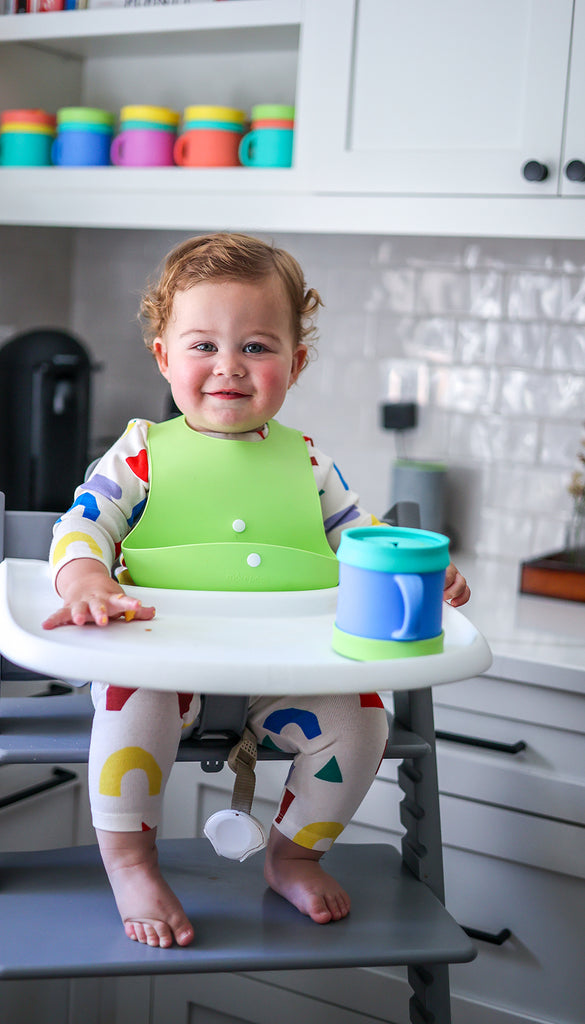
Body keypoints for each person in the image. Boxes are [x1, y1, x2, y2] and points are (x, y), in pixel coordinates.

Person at [43, 232, 470, 950]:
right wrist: (86, 576)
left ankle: (292, 854)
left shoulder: (309, 465)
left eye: (257, 347)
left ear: (295, 363)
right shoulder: (143, 450)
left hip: (289, 679)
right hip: (163, 667)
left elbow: (361, 541)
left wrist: (412, 570)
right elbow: (82, 524)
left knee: (361, 724)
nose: (228, 369)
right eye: (203, 346)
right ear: (164, 357)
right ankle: (130, 861)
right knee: (126, 709)